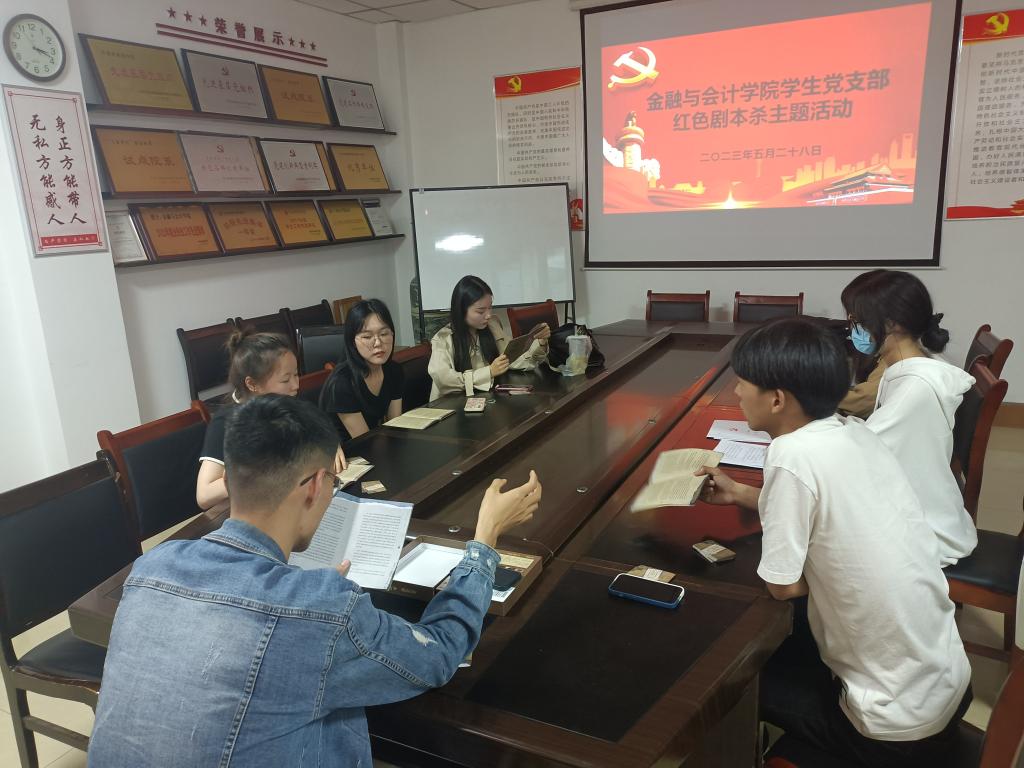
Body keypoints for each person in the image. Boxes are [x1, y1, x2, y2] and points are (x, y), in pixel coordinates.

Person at [89, 396, 543, 767]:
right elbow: (441, 653)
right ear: (314, 485)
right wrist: (485, 539)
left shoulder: (151, 568)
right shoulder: (321, 608)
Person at [698, 318, 971, 768]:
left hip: (888, 730)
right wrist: (744, 494)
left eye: (743, 383)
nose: (737, 392)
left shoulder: (789, 455)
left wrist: (827, 579)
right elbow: (837, 513)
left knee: (723, 685)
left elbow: (783, 587)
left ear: (777, 399)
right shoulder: (853, 430)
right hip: (946, 684)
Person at [845, 269, 976, 566]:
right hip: (917, 508)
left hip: (923, 531)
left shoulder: (915, 389)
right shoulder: (910, 366)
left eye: (857, 320)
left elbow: (858, 457)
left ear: (891, 324)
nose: (853, 329)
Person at [196, 329, 344, 513]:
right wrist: (258, 474)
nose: (296, 385)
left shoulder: (284, 403)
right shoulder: (226, 423)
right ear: (253, 384)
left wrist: (328, 445)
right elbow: (204, 495)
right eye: (285, 379)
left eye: (296, 374)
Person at [428, 275, 550, 399]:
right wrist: (489, 372)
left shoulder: (492, 325)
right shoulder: (444, 339)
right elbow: (444, 381)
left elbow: (513, 361)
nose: (488, 315)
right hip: (449, 405)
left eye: (490, 308)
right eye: (480, 311)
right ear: (461, 310)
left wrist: (540, 343)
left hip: (482, 399)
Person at [320, 299, 403, 441]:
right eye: (367, 336)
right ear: (352, 341)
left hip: (375, 443)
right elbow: (365, 441)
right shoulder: (342, 383)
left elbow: (395, 427)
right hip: (346, 451)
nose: (378, 343)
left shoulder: (394, 370)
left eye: (384, 334)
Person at [837, 269, 886, 419]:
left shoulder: (896, 361)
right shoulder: (885, 356)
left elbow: (864, 402)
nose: (852, 328)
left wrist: (813, 397)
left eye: (855, 319)